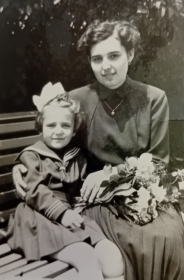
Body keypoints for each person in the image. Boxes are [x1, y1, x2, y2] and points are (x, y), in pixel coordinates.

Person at [12, 20, 184, 280]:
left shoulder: (154, 99)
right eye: (97, 59)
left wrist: (113, 174)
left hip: (141, 192)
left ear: (129, 54)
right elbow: (52, 137)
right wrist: (22, 164)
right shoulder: (77, 99)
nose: (106, 66)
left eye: (114, 56)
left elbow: (160, 163)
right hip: (95, 201)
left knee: (166, 233)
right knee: (133, 240)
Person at [7, 82, 124, 280]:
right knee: (87, 259)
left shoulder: (77, 156)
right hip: (38, 218)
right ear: (40, 126)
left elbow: (82, 187)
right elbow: (34, 191)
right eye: (51, 125)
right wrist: (62, 214)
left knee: (113, 260)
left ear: (74, 128)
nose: (59, 131)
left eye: (65, 125)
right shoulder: (32, 156)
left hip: (70, 215)